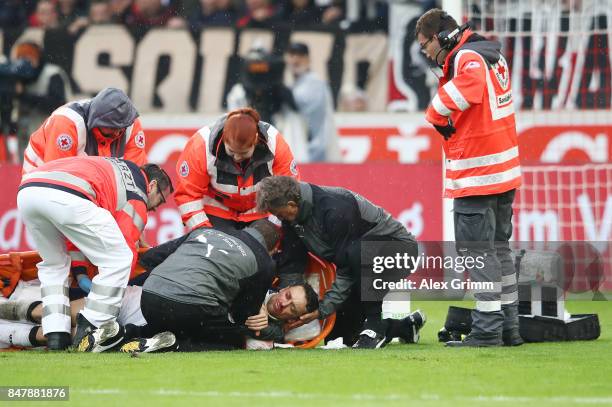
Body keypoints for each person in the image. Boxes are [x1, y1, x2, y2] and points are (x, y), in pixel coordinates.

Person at [416, 9, 522, 347]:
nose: (425, 53)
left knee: (477, 253)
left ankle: (487, 330)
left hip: (478, 173)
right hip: (503, 170)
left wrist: (434, 112)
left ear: (440, 36)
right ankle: (509, 326)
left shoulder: (468, 58)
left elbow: (470, 89)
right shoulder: (488, 54)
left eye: (425, 44)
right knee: (499, 250)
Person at [16, 156, 173, 351]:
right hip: (66, 195)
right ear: (152, 184)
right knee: (121, 258)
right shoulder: (137, 192)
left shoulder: (119, 170)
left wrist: (81, 271)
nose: (157, 208)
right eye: (161, 199)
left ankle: (56, 334)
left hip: (29, 191)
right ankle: (92, 328)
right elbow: (126, 248)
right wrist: (119, 287)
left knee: (54, 263)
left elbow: (77, 232)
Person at [92, 219, 318, 353]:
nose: (284, 303)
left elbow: (151, 258)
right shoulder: (263, 262)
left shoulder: (206, 230)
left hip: (150, 298)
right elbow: (241, 315)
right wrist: (252, 319)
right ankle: (175, 347)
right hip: (189, 306)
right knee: (235, 341)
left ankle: (122, 335)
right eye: (288, 295)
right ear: (271, 248)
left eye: (292, 308)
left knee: (182, 321)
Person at [256, 176, 424, 349]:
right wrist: (291, 313)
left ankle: (375, 327)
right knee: (341, 338)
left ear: (291, 205)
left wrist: (322, 310)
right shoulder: (292, 217)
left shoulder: (335, 208)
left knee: (358, 253)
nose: (279, 218)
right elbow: (292, 264)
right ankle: (405, 327)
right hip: (356, 264)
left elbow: (348, 267)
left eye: (279, 214)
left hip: (399, 252)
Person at [174, 107, 299, 232]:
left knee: (269, 243)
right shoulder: (200, 146)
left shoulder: (275, 143)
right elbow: (187, 195)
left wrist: (276, 226)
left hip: (261, 210)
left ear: (255, 140)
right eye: (232, 152)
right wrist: (204, 232)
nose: (237, 157)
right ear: (223, 140)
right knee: (216, 247)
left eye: (244, 153)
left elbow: (289, 192)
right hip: (217, 209)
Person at [22, 87, 147, 174]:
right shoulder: (66, 124)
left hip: (84, 181)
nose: (118, 132)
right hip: (38, 180)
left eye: (121, 127)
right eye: (112, 127)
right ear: (97, 120)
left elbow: (135, 177)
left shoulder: (131, 123)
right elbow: (55, 179)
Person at [11, 42, 71, 162]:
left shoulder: (52, 74)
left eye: (30, 57)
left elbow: (57, 104)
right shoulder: (17, 78)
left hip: (50, 138)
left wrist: (24, 95)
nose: (26, 62)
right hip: (25, 139)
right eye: (21, 57)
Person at [285, 42, 340, 162]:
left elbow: (299, 105)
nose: (295, 59)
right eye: (292, 55)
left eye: (300, 55)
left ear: (308, 59)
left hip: (317, 150)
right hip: (303, 151)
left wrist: (281, 91)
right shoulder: (295, 84)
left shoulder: (315, 82)